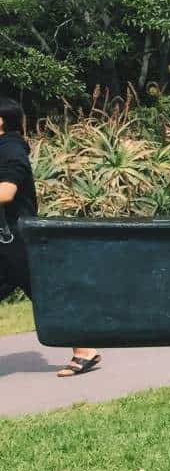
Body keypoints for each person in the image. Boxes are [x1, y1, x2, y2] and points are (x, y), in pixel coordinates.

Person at [0, 96, 102, 377]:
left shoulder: (10, 149)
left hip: (15, 240)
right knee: (45, 293)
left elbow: (6, 192)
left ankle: (84, 350)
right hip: (6, 240)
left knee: (46, 294)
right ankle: (84, 348)